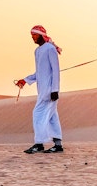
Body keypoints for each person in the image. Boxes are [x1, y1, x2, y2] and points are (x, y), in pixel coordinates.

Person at [15, 25, 63, 154]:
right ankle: (58, 145)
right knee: (52, 117)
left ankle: (39, 144)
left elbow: (56, 71)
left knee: (38, 114)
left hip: (50, 90)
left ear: (41, 35)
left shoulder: (50, 49)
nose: (33, 38)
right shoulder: (37, 51)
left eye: (35, 35)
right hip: (42, 90)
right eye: (32, 36)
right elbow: (39, 72)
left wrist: (55, 89)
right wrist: (25, 80)